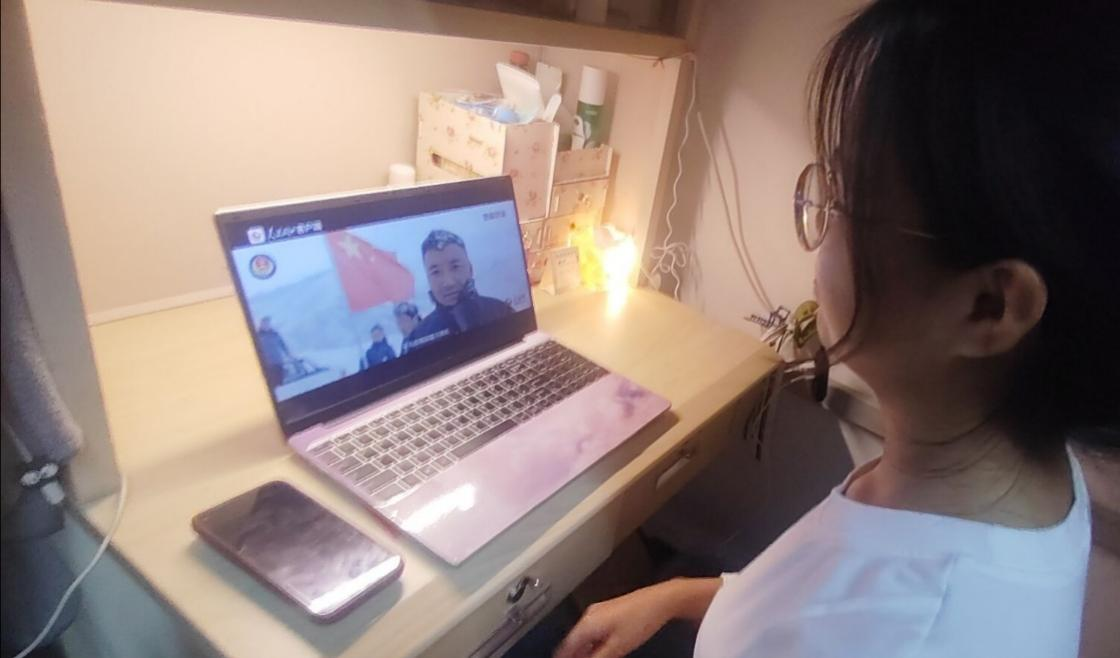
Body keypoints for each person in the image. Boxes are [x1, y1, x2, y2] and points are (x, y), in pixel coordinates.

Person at [556, 2, 1119, 657]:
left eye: (843, 196)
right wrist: (680, 596)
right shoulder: (1017, 474)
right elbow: (811, 596)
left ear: (988, 307)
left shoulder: (897, 635)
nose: (816, 224)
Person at [408, 229, 512, 347]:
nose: (448, 282)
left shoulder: (501, 311)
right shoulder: (418, 337)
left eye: (455, 267)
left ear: (470, 269)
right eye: (436, 272)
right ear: (428, 279)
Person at [256, 316, 292, 387]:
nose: (266, 325)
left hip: (278, 362)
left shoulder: (275, 334)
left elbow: (283, 345)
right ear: (261, 325)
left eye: (268, 323)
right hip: (268, 365)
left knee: (281, 383)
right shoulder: (258, 336)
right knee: (273, 384)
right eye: (264, 323)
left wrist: (289, 354)